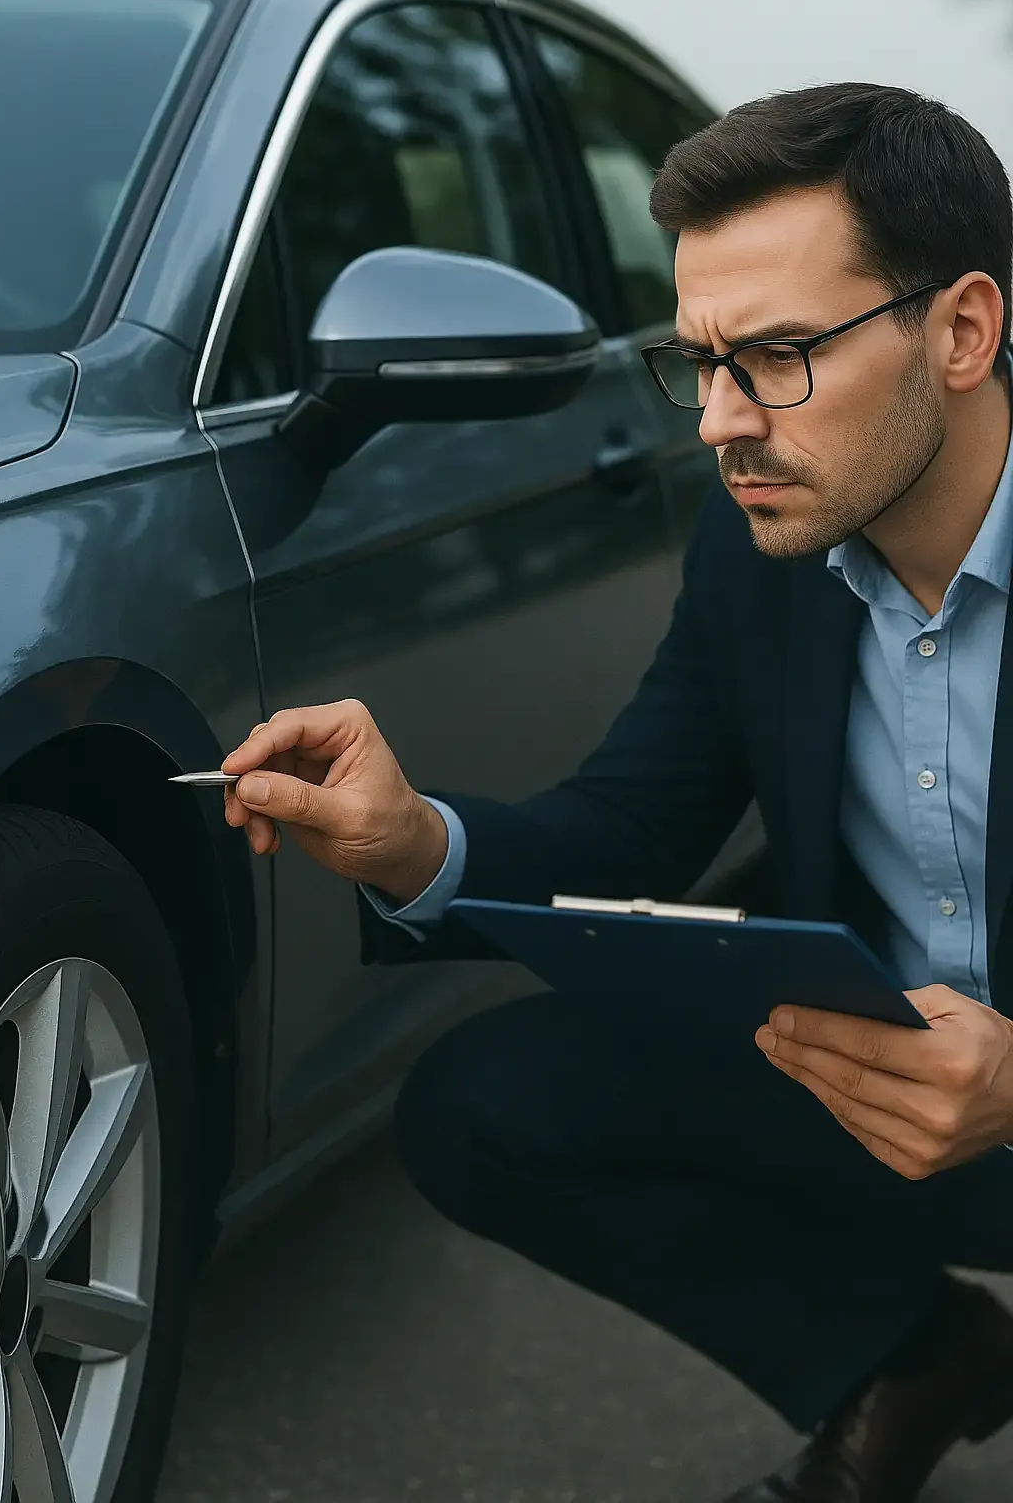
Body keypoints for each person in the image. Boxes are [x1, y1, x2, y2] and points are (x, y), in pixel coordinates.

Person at [221, 83, 1013, 1502]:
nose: (718, 424)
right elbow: (631, 828)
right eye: (697, 362)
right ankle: (912, 1352)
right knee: (488, 1104)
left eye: (775, 356)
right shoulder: (758, 546)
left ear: (960, 331)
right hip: (872, 1095)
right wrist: (415, 844)